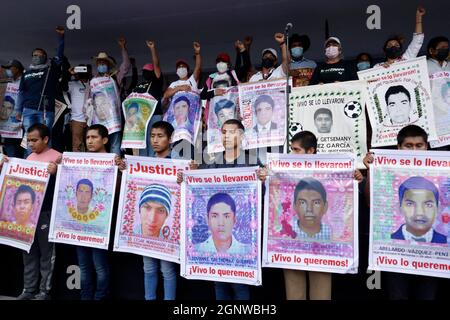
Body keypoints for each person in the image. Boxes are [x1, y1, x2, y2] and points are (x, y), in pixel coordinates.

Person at [257, 131, 363, 300]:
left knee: (321, 296)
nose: (292, 154)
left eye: (296, 150)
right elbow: (273, 198)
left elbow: (345, 197)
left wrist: (355, 176)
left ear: (311, 151)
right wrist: (264, 180)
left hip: (322, 248)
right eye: (291, 149)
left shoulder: (331, 171)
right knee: (294, 296)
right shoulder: (282, 170)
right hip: (292, 245)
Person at [178, 119, 262, 300]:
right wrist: (186, 178)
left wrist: (263, 180)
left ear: (241, 136)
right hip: (215, 239)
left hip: (241, 236)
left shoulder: (252, 163)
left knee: (239, 286)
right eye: (224, 132)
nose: (226, 136)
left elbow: (260, 195)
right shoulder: (211, 162)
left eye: (232, 132)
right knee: (219, 283)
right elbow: (198, 191)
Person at [363, 124, 442, 300]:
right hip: (396, 254)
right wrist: (371, 171)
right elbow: (370, 202)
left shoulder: (442, 170)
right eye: (408, 146)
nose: (414, 150)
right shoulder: (387, 169)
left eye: (419, 145)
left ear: (427, 147)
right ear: (398, 147)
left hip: (432, 257)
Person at [0, 123, 62, 300]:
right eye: (29, 140)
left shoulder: (58, 157)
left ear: (45, 139)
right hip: (27, 215)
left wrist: (58, 171)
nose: (31, 144)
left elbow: (67, 184)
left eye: (34, 140)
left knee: (47, 254)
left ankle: (44, 291)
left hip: (46, 212)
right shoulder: (28, 159)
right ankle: (28, 290)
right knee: (28, 252)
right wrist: (7, 165)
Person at [72, 124, 124, 300]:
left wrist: (120, 171)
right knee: (84, 265)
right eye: (87, 138)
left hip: (100, 223)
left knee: (99, 265)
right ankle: (85, 297)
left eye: (94, 137)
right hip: (80, 223)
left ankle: (100, 297)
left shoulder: (113, 161)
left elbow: (118, 191)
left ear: (105, 140)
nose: (90, 141)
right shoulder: (80, 160)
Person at [141, 121, 182, 300]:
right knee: (148, 268)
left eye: (160, 136)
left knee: (167, 269)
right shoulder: (143, 163)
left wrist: (188, 176)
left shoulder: (178, 163)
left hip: (167, 228)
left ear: (170, 139)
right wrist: (124, 170)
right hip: (147, 230)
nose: (155, 140)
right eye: (152, 136)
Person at [14, 27, 65, 155]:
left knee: (45, 138)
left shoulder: (50, 71)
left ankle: (45, 165)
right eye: (34, 55)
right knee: (29, 139)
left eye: (39, 55)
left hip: (45, 110)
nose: (36, 57)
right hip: (28, 110)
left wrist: (61, 39)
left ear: (45, 57)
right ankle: (30, 164)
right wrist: (18, 110)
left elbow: (59, 57)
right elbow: (21, 93)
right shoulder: (26, 73)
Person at [84, 38, 131, 155]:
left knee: (115, 144)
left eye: (103, 63)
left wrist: (122, 48)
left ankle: (115, 169)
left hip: (114, 118)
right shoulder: (92, 81)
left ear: (108, 65)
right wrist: (86, 114)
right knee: (96, 143)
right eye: (99, 63)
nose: (101, 65)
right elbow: (87, 99)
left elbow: (126, 65)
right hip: (98, 118)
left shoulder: (115, 77)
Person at [132, 40, 165, 157]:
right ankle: (143, 164)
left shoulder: (156, 82)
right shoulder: (140, 85)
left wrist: (152, 49)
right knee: (143, 142)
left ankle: (153, 163)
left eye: (148, 71)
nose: (146, 73)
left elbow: (156, 64)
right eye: (144, 71)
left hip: (155, 114)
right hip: (141, 116)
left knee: (154, 141)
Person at [391, 176, 446, 244]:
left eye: (428, 205)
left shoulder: (445, 241)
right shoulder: (390, 240)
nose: (420, 212)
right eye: (410, 204)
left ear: (438, 209)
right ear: (399, 208)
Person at [1, 59, 24, 158]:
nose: (8, 71)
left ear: (17, 69)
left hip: (22, 119)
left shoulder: (25, 81)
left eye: (10, 68)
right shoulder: (7, 82)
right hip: (8, 125)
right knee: (9, 147)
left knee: (23, 148)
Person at [67, 64, 92, 152]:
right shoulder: (72, 84)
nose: (83, 72)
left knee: (91, 145)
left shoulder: (93, 83)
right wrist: (69, 73)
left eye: (85, 69)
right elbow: (61, 86)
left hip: (91, 119)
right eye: (80, 70)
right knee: (76, 145)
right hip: (77, 119)